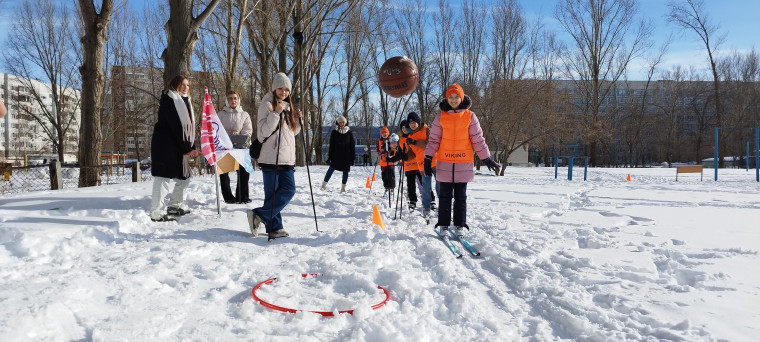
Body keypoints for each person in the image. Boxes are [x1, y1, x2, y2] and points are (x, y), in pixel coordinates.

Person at [423, 84, 500, 238]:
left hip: (463, 163)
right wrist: (428, 157)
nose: (453, 100)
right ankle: (443, 224)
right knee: (444, 197)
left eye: (456, 97)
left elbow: (477, 138)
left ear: (462, 97)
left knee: (461, 197)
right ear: (446, 98)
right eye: (450, 97)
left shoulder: (470, 116)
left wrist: (485, 157)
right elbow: (433, 140)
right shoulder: (440, 117)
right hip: (444, 162)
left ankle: (460, 225)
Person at [247, 72, 302, 239]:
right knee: (272, 194)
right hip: (271, 157)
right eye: (280, 88)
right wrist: (275, 113)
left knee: (289, 190)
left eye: (286, 89)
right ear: (274, 88)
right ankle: (275, 227)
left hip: (287, 158)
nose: (283, 92)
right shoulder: (267, 106)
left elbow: (292, 132)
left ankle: (259, 215)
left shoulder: (288, 106)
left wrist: (299, 121)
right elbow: (263, 133)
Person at [149, 75, 201, 222]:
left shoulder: (186, 101)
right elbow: (176, 126)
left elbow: (189, 129)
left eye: (188, 85)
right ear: (174, 85)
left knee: (184, 177)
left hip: (178, 146)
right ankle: (156, 213)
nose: (185, 87)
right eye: (182, 84)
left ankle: (174, 206)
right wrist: (187, 148)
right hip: (165, 145)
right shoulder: (169, 99)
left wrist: (191, 146)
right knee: (163, 178)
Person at [218, 90, 253, 204]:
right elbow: (218, 131)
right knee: (224, 172)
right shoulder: (220, 115)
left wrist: (236, 140)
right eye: (230, 98)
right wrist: (229, 141)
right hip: (225, 147)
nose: (233, 100)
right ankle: (228, 197)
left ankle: (242, 196)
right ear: (226, 100)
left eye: (235, 98)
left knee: (243, 172)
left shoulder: (244, 114)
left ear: (238, 100)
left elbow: (247, 132)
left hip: (241, 147)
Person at [406, 112, 437, 217]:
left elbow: (430, 145)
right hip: (422, 164)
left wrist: (415, 142)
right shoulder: (410, 136)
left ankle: (444, 207)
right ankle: (426, 207)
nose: (412, 125)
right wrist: (405, 156)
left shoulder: (427, 130)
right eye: (410, 123)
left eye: (414, 122)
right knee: (425, 188)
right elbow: (412, 154)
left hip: (434, 161)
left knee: (441, 187)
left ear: (418, 122)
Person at [320, 116, 355, 192]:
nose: (341, 123)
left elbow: (352, 146)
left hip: (346, 155)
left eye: (343, 122)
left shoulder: (349, 133)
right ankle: (324, 185)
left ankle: (343, 188)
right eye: (340, 122)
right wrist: (330, 156)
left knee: (345, 171)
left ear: (345, 123)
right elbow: (332, 145)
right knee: (331, 169)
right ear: (338, 123)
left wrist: (352, 158)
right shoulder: (334, 132)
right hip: (336, 155)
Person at [398, 119, 421, 210]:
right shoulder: (401, 140)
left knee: (424, 184)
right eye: (402, 128)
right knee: (411, 185)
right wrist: (401, 157)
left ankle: (430, 200)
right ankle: (412, 201)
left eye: (405, 127)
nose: (404, 129)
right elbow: (399, 153)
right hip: (408, 166)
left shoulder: (414, 136)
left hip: (418, 164)